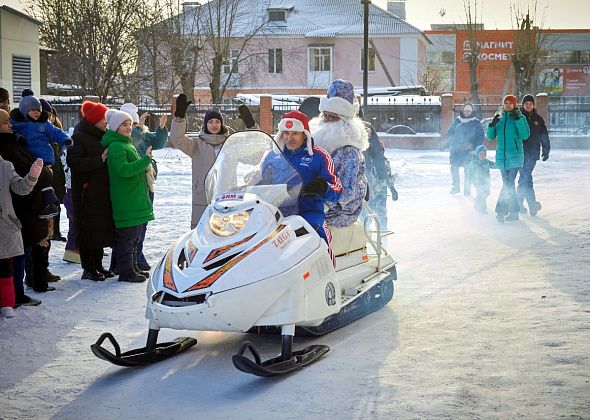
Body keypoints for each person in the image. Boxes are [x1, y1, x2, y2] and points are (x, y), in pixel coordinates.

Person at [261, 110, 342, 247]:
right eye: (286, 133)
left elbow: (337, 189)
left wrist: (323, 187)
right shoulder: (272, 156)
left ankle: (327, 265)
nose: (289, 138)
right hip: (275, 213)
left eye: (295, 134)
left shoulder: (319, 156)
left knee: (320, 237)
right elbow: (261, 183)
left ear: (305, 135)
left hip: (308, 212)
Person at [0, 109, 54, 297]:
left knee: (26, 249)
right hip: (21, 207)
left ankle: (20, 290)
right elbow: (27, 175)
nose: (11, 126)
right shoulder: (8, 150)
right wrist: (45, 173)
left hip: (27, 204)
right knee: (20, 253)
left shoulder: (16, 143)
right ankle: (17, 294)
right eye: (6, 123)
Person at [101, 109, 154, 283]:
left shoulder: (126, 144)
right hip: (126, 199)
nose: (128, 127)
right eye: (124, 124)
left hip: (134, 198)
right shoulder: (116, 146)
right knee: (127, 239)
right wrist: (145, 160)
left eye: (130, 124)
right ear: (115, 127)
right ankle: (126, 271)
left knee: (134, 237)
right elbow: (124, 170)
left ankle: (132, 267)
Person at [68, 101, 116, 281]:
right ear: (94, 120)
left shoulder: (102, 135)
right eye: (103, 118)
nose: (106, 121)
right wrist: (99, 159)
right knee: (87, 230)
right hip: (85, 192)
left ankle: (98, 265)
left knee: (99, 229)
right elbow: (74, 162)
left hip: (100, 191)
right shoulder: (79, 137)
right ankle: (88, 268)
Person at [312, 79, 368, 228]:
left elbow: (344, 195)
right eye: (326, 116)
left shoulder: (349, 153)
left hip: (338, 214)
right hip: (316, 206)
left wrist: (318, 196)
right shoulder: (318, 144)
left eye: (333, 117)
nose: (327, 122)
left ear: (345, 122)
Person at [168, 95, 230, 229]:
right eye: (211, 122)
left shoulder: (230, 143)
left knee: (226, 231)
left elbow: (251, 149)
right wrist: (179, 118)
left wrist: (250, 126)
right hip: (202, 194)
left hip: (226, 193)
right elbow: (177, 138)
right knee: (202, 231)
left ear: (222, 124)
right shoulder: (197, 144)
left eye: (217, 122)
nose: (214, 125)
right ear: (205, 124)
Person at [120, 103, 169, 271]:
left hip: (147, 182)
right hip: (133, 182)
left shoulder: (144, 134)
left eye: (133, 124)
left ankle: (138, 254)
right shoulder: (126, 137)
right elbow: (132, 140)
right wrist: (139, 127)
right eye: (128, 124)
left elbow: (160, 143)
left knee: (144, 222)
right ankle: (133, 258)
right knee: (134, 223)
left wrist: (162, 128)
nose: (131, 128)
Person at [10, 95, 72, 218]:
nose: (37, 112)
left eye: (38, 110)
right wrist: (17, 138)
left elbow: (56, 132)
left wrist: (64, 140)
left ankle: (50, 204)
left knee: (44, 181)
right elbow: (12, 131)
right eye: (33, 110)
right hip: (28, 157)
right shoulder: (17, 124)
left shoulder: (43, 123)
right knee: (36, 182)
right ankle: (46, 204)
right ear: (24, 110)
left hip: (43, 155)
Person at [0, 157, 43, 318]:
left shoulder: (5, 165)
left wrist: (32, 177)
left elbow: (21, 188)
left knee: (4, 266)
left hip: (3, 225)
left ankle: (6, 303)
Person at [486, 95, 530, 223]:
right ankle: (514, 212)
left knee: (508, 184)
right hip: (502, 158)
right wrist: (491, 125)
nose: (508, 105)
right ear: (503, 104)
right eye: (506, 103)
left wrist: (518, 120)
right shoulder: (499, 118)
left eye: (511, 103)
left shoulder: (520, 117)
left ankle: (501, 211)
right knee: (508, 185)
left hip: (515, 158)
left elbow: (525, 135)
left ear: (515, 105)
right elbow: (490, 137)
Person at [358, 100, 398, 228]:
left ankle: (382, 236)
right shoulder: (373, 160)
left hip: (378, 192)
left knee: (380, 215)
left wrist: (392, 189)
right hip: (368, 189)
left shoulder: (383, 162)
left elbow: (387, 176)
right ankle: (366, 236)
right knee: (366, 215)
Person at [517, 94, 550, 217]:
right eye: (526, 104)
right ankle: (531, 205)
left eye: (530, 104)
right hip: (520, 153)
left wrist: (546, 150)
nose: (528, 106)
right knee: (526, 178)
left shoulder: (538, 119)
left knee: (524, 178)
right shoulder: (518, 118)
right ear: (523, 105)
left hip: (533, 153)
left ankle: (519, 204)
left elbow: (544, 135)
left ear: (533, 105)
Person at [443, 103, 484, 195]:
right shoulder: (457, 121)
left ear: (472, 111)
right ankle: (456, 187)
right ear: (463, 110)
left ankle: (467, 189)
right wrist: (446, 145)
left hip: (469, 150)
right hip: (456, 149)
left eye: (469, 111)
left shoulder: (476, 123)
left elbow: (480, 137)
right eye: (465, 110)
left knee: (468, 170)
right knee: (454, 167)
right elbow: (450, 133)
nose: (467, 112)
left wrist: (475, 148)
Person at [468, 145, 496, 214]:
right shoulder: (473, 162)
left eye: (484, 154)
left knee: (487, 193)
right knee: (481, 194)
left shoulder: (486, 161)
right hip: (478, 182)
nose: (482, 156)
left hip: (486, 182)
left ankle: (477, 201)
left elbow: (493, 165)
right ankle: (481, 208)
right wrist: (469, 181)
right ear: (477, 154)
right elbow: (469, 172)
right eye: (481, 154)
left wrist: (500, 165)